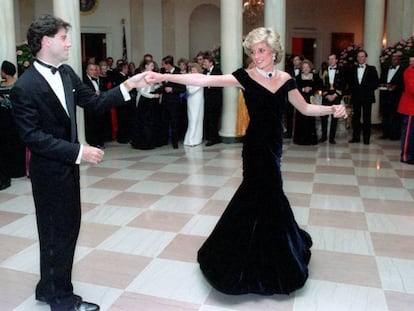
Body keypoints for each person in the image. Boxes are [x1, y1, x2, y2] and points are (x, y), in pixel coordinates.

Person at [146, 27, 347, 295]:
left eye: (261, 50)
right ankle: (247, 257)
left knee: (269, 194)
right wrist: (162, 75)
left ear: (274, 52)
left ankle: (275, 250)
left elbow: (306, 108)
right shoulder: (245, 76)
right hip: (255, 146)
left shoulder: (286, 79)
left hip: (274, 146)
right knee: (261, 194)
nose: (257, 55)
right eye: (253, 51)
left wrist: (332, 109)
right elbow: (205, 81)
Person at [10, 14, 149, 311]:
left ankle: (48, 288)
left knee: (63, 230)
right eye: (63, 37)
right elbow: (32, 137)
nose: (69, 42)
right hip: (48, 171)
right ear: (46, 41)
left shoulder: (67, 73)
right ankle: (61, 300)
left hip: (66, 170)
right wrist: (78, 151)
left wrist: (130, 85)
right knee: (56, 232)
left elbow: (95, 103)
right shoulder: (25, 86)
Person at [0, 61, 26, 190]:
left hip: (14, 117)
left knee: (16, 142)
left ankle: (18, 169)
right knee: (5, 144)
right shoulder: (1, 84)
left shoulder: (18, 84)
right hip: (3, 119)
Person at [348, 50, 379, 145]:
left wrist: (365, 89)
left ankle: (366, 139)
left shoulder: (372, 69)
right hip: (356, 97)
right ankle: (356, 137)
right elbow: (350, 83)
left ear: (365, 58)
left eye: (362, 56)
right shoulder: (352, 68)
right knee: (355, 118)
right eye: (359, 56)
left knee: (367, 118)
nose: (361, 58)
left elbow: (376, 83)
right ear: (357, 58)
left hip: (367, 97)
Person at [131, 60, 160, 150]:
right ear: (146, 66)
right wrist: (153, 95)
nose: (153, 67)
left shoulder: (151, 76)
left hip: (149, 101)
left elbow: (151, 87)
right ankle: (142, 143)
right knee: (143, 122)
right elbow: (141, 91)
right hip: (143, 101)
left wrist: (158, 86)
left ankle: (150, 142)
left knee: (150, 122)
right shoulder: (140, 77)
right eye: (151, 66)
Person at [294, 59, 322, 145]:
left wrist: (312, 89)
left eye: (307, 67)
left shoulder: (315, 76)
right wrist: (303, 89)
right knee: (301, 118)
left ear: (310, 68)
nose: (305, 69)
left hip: (311, 100)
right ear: (301, 68)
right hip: (301, 99)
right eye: (304, 67)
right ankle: (300, 139)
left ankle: (310, 139)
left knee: (310, 119)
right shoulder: (298, 77)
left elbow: (320, 87)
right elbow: (294, 88)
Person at [320, 53, 346, 144]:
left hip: (336, 96)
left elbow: (343, 84)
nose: (331, 61)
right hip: (326, 96)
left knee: (335, 118)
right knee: (323, 117)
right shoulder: (323, 70)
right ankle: (323, 136)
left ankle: (332, 138)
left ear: (336, 60)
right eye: (329, 59)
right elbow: (320, 84)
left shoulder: (341, 70)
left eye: (333, 59)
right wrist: (326, 95)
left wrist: (335, 95)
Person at [379, 53, 404, 140]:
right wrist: (382, 84)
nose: (393, 61)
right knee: (385, 115)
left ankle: (395, 135)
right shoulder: (386, 69)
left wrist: (396, 87)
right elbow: (381, 80)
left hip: (396, 96)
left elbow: (404, 84)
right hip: (385, 96)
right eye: (392, 59)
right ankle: (385, 133)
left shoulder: (402, 70)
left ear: (399, 60)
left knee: (395, 116)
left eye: (395, 59)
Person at [203, 53, 223, 146]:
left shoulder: (217, 70)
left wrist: (210, 85)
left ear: (211, 63)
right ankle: (211, 137)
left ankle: (214, 138)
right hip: (207, 99)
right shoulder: (204, 72)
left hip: (215, 100)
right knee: (209, 119)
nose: (204, 63)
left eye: (206, 62)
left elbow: (221, 84)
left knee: (214, 119)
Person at [397, 55, 414, 164]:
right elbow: (412, 88)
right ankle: (406, 156)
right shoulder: (410, 71)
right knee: (408, 133)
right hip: (410, 107)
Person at [184, 63, 204, 146]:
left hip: (199, 100)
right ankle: (190, 140)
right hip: (192, 100)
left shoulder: (202, 77)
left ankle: (197, 139)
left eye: (194, 69)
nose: (193, 70)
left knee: (199, 118)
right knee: (193, 119)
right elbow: (189, 90)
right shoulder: (189, 77)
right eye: (191, 69)